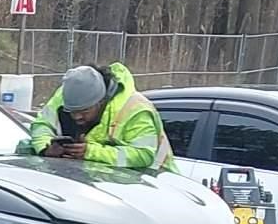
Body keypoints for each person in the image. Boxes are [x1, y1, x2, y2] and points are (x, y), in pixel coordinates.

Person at [27, 62, 173, 171]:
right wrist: (45, 148)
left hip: (153, 183)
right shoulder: (67, 95)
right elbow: (42, 125)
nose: (77, 117)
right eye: (71, 111)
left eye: (84, 112)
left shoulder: (135, 109)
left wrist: (91, 152)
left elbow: (144, 154)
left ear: (101, 101)